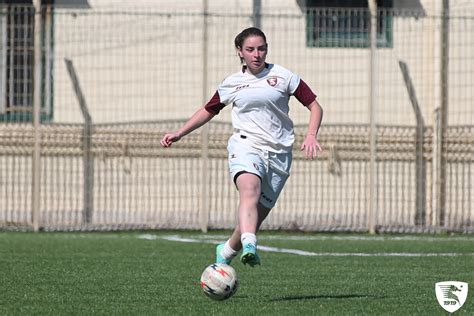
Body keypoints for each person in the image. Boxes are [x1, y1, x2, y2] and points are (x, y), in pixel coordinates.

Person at [160, 27, 323, 267]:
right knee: (250, 190)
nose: (257, 54)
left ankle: (226, 251)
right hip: (246, 145)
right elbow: (209, 110)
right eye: (250, 49)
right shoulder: (232, 83)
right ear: (240, 52)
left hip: (280, 154)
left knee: (255, 216)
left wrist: (311, 135)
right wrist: (179, 133)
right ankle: (250, 246)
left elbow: (315, 106)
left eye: (261, 48)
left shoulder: (284, 76)